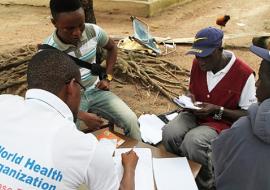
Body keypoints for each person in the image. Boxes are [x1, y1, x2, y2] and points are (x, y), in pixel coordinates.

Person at [0, 49, 138, 189]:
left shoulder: (3, 102)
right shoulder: (87, 149)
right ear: (72, 86)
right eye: (81, 88)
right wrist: (129, 168)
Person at [162, 27, 257, 189]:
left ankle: (206, 184)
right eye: (197, 56)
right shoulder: (198, 64)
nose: (201, 61)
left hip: (221, 122)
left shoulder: (243, 73)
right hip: (195, 113)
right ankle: (182, 175)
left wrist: (217, 110)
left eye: (205, 56)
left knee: (194, 142)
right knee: (169, 132)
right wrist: (189, 97)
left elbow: (248, 114)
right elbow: (192, 89)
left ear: (220, 50)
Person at [43, 0, 141, 140]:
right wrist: (80, 115)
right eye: (69, 28)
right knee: (68, 135)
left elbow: (112, 47)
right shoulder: (48, 52)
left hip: (96, 90)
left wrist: (108, 78)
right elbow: (49, 95)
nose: (77, 33)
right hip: (69, 101)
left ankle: (138, 157)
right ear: (54, 23)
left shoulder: (93, 31)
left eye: (80, 25)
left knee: (131, 121)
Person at [212, 45, 270, 190]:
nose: (257, 83)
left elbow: (219, 165)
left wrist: (218, 111)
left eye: (262, 78)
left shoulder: (241, 128)